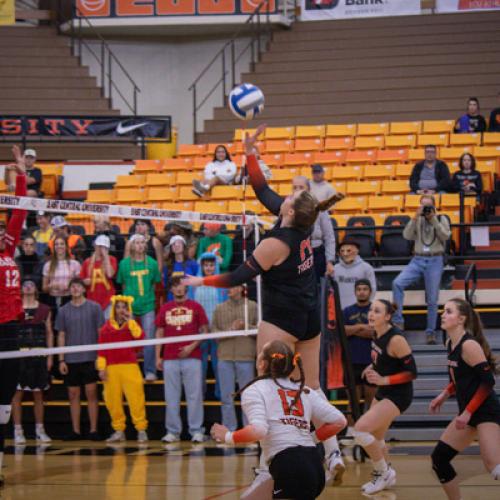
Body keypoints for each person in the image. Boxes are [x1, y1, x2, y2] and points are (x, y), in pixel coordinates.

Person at [183, 124, 346, 486]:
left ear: (289, 211)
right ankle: (333, 451)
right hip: (308, 313)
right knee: (312, 386)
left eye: (291, 196)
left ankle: (265, 464)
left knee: (267, 385)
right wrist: (249, 151)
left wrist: (199, 280)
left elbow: (237, 277)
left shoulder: (278, 241)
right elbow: (261, 189)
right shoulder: (302, 223)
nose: (285, 196)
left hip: (283, 316)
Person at [211, 340, 347, 500]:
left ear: (262, 363)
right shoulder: (303, 390)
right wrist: (311, 438)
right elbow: (340, 421)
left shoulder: (255, 389)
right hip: (314, 466)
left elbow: (259, 430)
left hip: (290, 468)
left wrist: (228, 436)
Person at [430, 298, 500, 500]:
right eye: (443, 311)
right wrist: (444, 394)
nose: (443, 315)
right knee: (439, 459)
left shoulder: (469, 345)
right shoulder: (450, 342)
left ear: (461, 319)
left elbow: (487, 382)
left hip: (485, 411)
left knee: (494, 467)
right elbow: (461, 377)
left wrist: (468, 412)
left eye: (449, 312)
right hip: (468, 412)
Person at [353, 299, 417, 495]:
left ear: (388, 317)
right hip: (384, 391)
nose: (371, 314)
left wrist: (384, 380)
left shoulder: (396, 339)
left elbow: (411, 372)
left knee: (360, 430)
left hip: (398, 394)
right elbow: (383, 359)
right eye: (371, 310)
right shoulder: (376, 333)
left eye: (377, 311)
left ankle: (383, 473)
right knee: (376, 437)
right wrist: (371, 366)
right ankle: (386, 474)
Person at [0, 145, 27, 487]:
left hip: (12, 331)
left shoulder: (8, 247)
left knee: (4, 402)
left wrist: (21, 175)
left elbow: (19, 212)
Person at [392, 195, 451, 345]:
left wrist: (433, 220)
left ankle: (430, 332)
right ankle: (398, 321)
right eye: (423, 206)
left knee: (432, 299)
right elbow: (406, 236)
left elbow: (445, 236)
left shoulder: (442, 218)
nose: (426, 210)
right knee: (397, 283)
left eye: (428, 206)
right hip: (417, 259)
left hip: (435, 259)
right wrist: (414, 218)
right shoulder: (417, 219)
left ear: (434, 206)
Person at [155, 278, 208, 443]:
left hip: (192, 357)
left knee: (194, 396)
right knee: (171, 396)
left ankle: (196, 431)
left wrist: (191, 347)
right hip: (170, 358)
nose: (178, 289)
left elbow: (205, 331)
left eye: (181, 286)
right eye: (175, 285)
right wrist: (158, 356)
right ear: (171, 289)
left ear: (186, 288)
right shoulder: (165, 308)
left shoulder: (196, 306)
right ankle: (172, 431)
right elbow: (159, 332)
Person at [56, 277, 105, 440]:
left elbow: (101, 333)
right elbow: (61, 335)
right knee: (73, 395)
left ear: (84, 289)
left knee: (91, 393)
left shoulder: (95, 308)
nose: (75, 289)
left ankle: (93, 430)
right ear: (69, 290)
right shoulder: (63, 310)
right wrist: (61, 359)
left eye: (78, 286)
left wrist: (101, 356)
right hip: (71, 359)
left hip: (90, 357)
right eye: (72, 286)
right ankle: (75, 431)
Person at [97, 295, 148, 443]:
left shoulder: (132, 324)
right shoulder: (106, 328)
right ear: (113, 309)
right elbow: (101, 350)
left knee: (136, 398)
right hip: (111, 368)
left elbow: (140, 338)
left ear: (128, 309)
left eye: (124, 307)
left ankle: (141, 429)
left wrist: (130, 321)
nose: (120, 310)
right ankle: (119, 430)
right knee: (112, 400)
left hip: (130, 366)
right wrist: (101, 368)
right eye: (118, 307)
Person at [11, 277, 53, 444]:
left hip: (38, 356)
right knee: (16, 395)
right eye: (25, 285)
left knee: (38, 394)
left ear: (36, 289)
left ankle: (39, 430)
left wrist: (50, 356)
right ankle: (18, 431)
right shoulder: (14, 308)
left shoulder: (44, 309)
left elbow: (49, 333)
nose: (28, 287)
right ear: (21, 289)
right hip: (19, 357)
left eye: (31, 285)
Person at [212, 285, 258, 431]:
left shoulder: (252, 306)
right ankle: (229, 429)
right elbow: (214, 332)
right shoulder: (219, 308)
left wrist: (245, 326)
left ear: (241, 288)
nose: (229, 289)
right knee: (226, 397)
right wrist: (230, 331)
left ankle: (249, 428)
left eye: (233, 286)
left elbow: (260, 329)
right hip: (225, 357)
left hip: (246, 356)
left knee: (248, 397)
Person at [117, 233, 161, 381]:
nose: (140, 245)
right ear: (131, 245)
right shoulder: (124, 264)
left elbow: (155, 284)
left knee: (148, 339)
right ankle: (130, 372)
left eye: (143, 242)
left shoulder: (152, 263)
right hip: (130, 307)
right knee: (128, 339)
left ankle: (150, 371)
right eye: (137, 242)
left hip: (148, 305)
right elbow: (122, 285)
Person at [342, 279, 376, 434]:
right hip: (351, 362)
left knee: (372, 401)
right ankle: (350, 433)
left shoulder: (375, 310)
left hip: (372, 363)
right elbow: (342, 332)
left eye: (365, 289)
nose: (362, 292)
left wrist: (354, 330)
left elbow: (375, 332)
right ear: (355, 292)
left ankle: (370, 431)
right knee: (353, 401)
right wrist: (362, 327)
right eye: (359, 289)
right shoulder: (347, 311)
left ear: (370, 291)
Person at [292, 175, 336, 282]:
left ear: (309, 189)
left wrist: (329, 261)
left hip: (317, 254)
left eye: (301, 187)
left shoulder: (320, 209)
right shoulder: (288, 208)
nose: (298, 191)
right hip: (296, 255)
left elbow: (329, 236)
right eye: (295, 187)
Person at [194, 252, 225, 400]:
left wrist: (218, 327)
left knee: (218, 364)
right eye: (206, 265)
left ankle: (220, 392)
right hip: (200, 330)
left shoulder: (221, 285)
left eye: (212, 265)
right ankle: (200, 392)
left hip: (216, 330)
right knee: (200, 365)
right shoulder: (195, 286)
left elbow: (224, 308)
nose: (209, 267)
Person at [42, 236, 81, 317]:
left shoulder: (75, 264)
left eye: (62, 244)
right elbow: (44, 288)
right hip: (53, 300)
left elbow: (80, 285)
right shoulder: (47, 265)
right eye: (56, 244)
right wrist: (51, 286)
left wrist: (69, 287)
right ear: (53, 247)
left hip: (70, 299)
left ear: (66, 246)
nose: (59, 246)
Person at [80, 234, 117, 319]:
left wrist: (106, 257)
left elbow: (110, 274)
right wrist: (85, 281)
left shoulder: (112, 259)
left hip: (108, 299)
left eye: (104, 247)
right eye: (99, 247)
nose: (101, 249)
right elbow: (81, 280)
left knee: (107, 325)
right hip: (92, 299)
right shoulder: (87, 262)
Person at [334, 238, 376, 309]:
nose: (345, 254)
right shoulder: (334, 269)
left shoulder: (366, 268)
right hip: (339, 310)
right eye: (342, 251)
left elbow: (372, 289)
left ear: (357, 251)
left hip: (360, 310)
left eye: (348, 251)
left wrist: (366, 306)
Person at [230, 211, 261, 301]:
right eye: (243, 219)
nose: (245, 222)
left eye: (248, 219)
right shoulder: (236, 239)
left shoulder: (259, 238)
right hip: (241, 277)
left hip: (254, 279)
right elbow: (234, 260)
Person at [163, 235, 198, 300]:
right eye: (174, 244)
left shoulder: (192, 263)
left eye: (179, 243)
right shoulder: (167, 266)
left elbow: (197, 281)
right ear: (171, 248)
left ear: (184, 247)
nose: (176, 245)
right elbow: (166, 284)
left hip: (189, 298)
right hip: (172, 300)